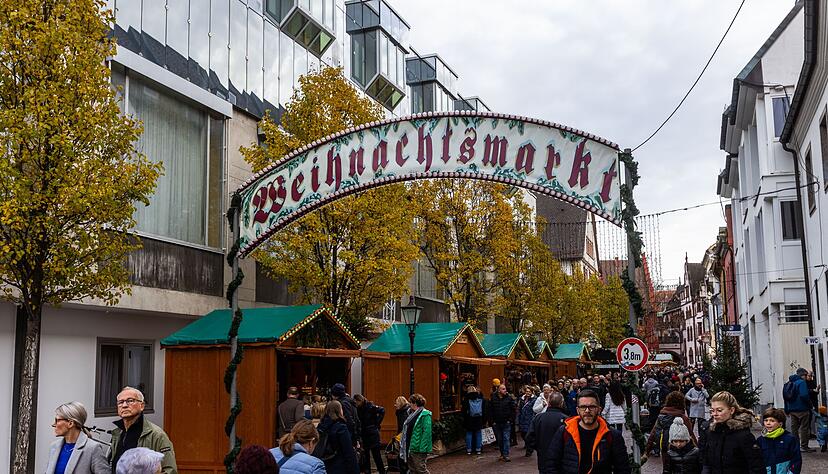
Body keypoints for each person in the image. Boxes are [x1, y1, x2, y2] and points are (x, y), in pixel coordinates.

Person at [546, 389, 630, 474]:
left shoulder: (612, 435)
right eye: (583, 407)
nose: (587, 411)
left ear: (599, 409)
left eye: (592, 407)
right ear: (578, 410)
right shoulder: (564, 432)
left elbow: (623, 468)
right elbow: (551, 464)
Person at [109, 386, 177, 473]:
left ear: (142, 406)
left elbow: (170, 470)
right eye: (120, 402)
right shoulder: (117, 433)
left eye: (130, 401)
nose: (124, 405)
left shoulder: (156, 435)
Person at [699, 391, 763, 473]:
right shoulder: (711, 432)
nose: (714, 414)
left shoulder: (743, 436)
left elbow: (756, 466)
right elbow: (706, 462)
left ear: (731, 410)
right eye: (712, 410)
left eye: (719, 410)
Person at [45, 401, 110, 474]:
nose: (53, 424)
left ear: (70, 423)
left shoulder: (93, 448)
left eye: (57, 420)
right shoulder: (54, 447)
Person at [644, 391, 696, 471]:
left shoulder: (661, 417)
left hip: (665, 447)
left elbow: (653, 434)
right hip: (681, 447)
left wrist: (647, 451)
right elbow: (691, 434)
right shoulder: (683, 418)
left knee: (666, 468)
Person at [526, 391, 567, 473]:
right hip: (560, 458)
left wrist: (538, 447)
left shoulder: (538, 418)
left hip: (543, 457)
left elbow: (529, 437)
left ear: (548, 402)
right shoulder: (566, 420)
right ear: (561, 403)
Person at [315, 401, 358, 474]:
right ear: (339, 410)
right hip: (339, 464)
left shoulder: (321, 426)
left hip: (324, 463)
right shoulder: (341, 427)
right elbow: (348, 451)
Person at [756, 408, 801, 474]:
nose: (768, 423)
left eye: (772, 421)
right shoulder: (760, 440)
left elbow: (796, 459)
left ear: (780, 424)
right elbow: (757, 461)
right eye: (766, 420)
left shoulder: (790, 439)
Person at [783, 368, 813, 452]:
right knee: (804, 428)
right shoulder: (801, 382)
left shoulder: (789, 383)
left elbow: (785, 398)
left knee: (794, 429)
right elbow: (804, 395)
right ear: (802, 375)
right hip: (802, 408)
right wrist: (810, 405)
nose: (806, 377)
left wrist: (787, 409)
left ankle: (795, 446)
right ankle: (804, 446)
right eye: (806, 375)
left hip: (792, 410)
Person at [400, 394, 432, 474]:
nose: (409, 404)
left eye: (410, 402)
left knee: (420, 469)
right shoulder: (410, 414)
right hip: (410, 446)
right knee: (412, 470)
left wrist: (422, 448)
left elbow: (426, 432)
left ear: (415, 403)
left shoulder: (425, 414)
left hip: (418, 447)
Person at [354, 394, 385, 474]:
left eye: (357, 402)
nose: (356, 404)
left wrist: (377, 423)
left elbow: (382, 410)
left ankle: (381, 471)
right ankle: (368, 471)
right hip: (365, 433)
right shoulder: (359, 408)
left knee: (376, 455)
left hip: (371, 433)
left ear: (360, 400)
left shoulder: (370, 406)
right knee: (366, 455)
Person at [489, 383, 516, 462]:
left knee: (506, 438)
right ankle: (502, 454)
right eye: (503, 389)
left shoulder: (509, 398)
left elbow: (513, 410)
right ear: (499, 390)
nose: (505, 390)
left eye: (505, 388)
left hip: (506, 422)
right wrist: (492, 421)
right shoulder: (493, 398)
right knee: (500, 439)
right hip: (497, 423)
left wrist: (510, 420)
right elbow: (490, 410)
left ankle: (506, 455)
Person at [461, 385, 486, 455]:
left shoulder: (466, 399)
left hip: (469, 419)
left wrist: (464, 419)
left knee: (469, 433)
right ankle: (478, 449)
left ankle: (469, 449)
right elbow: (484, 410)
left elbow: (463, 411)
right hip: (478, 418)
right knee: (478, 433)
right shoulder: (480, 398)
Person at [517, 386, 537, 456]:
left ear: (532, 392)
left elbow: (534, 410)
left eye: (529, 391)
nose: (527, 393)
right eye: (526, 391)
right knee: (523, 434)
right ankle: (528, 444)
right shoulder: (522, 399)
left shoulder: (534, 400)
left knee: (528, 435)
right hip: (523, 419)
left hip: (530, 419)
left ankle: (529, 451)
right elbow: (519, 409)